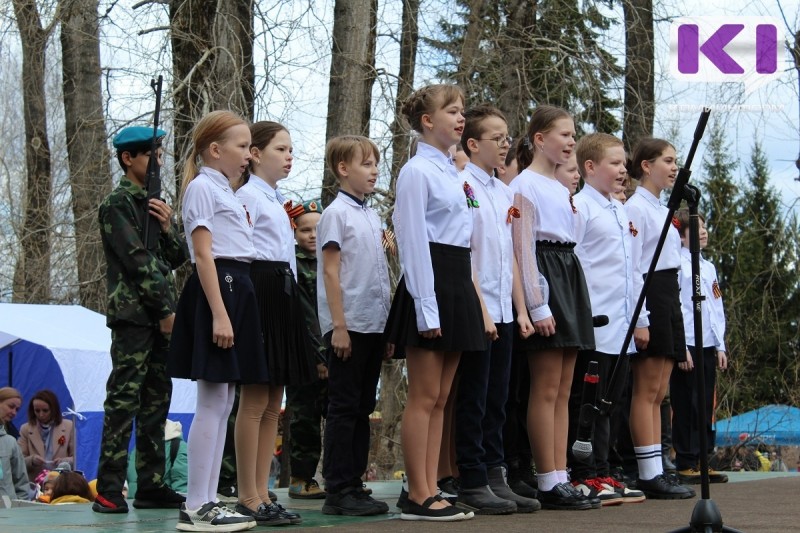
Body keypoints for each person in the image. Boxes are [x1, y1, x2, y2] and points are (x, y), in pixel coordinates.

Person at [384, 84, 484, 522]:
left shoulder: (454, 173)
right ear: (428, 121)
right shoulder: (416, 172)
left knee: (443, 395)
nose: (461, 119)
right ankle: (417, 492)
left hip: (458, 276)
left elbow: (471, 224)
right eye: (453, 112)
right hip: (432, 279)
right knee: (424, 395)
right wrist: (426, 306)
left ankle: (433, 485)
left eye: (462, 112)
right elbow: (412, 242)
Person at [167, 110, 265, 532]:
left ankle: (208, 499)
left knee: (225, 401)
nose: (248, 155)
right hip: (218, 289)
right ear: (214, 149)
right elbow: (203, 254)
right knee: (212, 401)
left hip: (236, 284)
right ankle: (195, 504)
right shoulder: (202, 189)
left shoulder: (227, 191)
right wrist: (220, 314)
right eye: (242, 147)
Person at [94, 125, 189, 514]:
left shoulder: (153, 203)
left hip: (157, 318)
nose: (157, 161)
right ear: (127, 158)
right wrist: (166, 310)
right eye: (150, 154)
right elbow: (138, 263)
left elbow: (178, 257)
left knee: (156, 401)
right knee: (123, 401)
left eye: (160, 154)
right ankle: (110, 488)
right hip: (134, 317)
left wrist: (168, 227)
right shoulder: (117, 204)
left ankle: (151, 484)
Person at [453, 104, 539, 515]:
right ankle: (471, 477)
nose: (506, 145)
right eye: (497, 138)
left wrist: (520, 310)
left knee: (499, 398)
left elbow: (511, 258)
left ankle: (494, 473)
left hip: (504, 308)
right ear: (472, 144)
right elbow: (467, 254)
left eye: (508, 138)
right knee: (476, 396)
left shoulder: (502, 191)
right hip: (477, 307)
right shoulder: (463, 185)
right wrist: (484, 310)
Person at [509, 105, 595, 510]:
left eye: (573, 135)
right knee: (545, 388)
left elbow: (571, 238)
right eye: (564, 134)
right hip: (545, 273)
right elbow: (523, 247)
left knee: (563, 388)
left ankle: (560, 474)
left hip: (567, 270)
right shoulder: (524, 185)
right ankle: (546, 478)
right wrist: (536, 303)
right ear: (540, 140)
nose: (571, 141)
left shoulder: (562, 189)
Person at [233, 120, 311, 526]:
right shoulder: (246, 196)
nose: (289, 157)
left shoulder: (277, 200)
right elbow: (241, 252)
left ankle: (264, 492)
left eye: (291, 150)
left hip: (281, 291)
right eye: (281, 149)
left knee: (273, 401)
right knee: (254, 397)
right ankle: (247, 494)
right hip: (259, 290)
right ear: (256, 154)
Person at [567, 133, 644, 505]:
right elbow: (573, 264)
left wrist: (640, 318)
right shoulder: (580, 208)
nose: (623, 170)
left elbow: (633, 270)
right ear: (590, 167)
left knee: (612, 403)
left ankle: (603, 469)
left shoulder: (620, 210)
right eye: (615, 163)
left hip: (623, 324)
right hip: (594, 323)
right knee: (588, 402)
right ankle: (582, 472)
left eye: (624, 163)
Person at [317, 135, 392, 517]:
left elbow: (377, 272)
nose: (374, 170)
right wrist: (339, 326)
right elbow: (331, 271)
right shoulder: (336, 213)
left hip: (373, 324)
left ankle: (355, 482)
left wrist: (387, 328)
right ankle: (338, 487)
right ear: (343, 169)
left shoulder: (371, 214)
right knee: (344, 406)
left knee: (363, 405)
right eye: (366, 164)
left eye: (376, 163)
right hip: (349, 325)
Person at [625, 138, 694, 499]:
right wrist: (641, 317)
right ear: (646, 165)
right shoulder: (637, 207)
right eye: (667, 160)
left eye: (675, 161)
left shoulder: (662, 209)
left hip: (669, 293)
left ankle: (658, 465)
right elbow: (635, 265)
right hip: (650, 292)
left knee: (660, 391)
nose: (674, 167)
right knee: (647, 388)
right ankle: (648, 471)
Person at [672, 208, 729, 485]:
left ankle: (704, 457)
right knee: (687, 403)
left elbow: (716, 307)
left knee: (706, 404)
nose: (703, 232)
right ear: (682, 235)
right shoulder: (679, 266)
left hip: (707, 343)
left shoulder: (708, 267)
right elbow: (678, 308)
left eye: (704, 227)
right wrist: (681, 346)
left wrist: (721, 345)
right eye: (695, 229)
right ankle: (686, 460)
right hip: (689, 344)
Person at [284, 200, 328, 500]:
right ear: (294, 232)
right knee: (305, 417)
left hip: (337, 349)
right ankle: (301, 477)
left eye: (318, 229)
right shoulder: (293, 264)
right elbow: (305, 316)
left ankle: (341, 477)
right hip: (305, 355)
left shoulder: (333, 258)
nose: (312, 235)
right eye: (305, 230)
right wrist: (318, 356)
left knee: (339, 415)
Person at [18, 390, 75, 483]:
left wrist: (64, 461)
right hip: (36, 483)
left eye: (45, 410)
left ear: (54, 409)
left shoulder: (69, 426)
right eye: (37, 411)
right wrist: (32, 460)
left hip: (62, 482)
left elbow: (77, 458)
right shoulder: (25, 429)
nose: (41, 414)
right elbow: (19, 461)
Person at [127, 419, 189, 498]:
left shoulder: (179, 447)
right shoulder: (140, 446)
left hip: (150, 506)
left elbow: (182, 485)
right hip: (143, 506)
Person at [0, 387, 29, 501]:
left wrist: (18, 510)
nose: (14, 413)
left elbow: (21, 482)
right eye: (11, 406)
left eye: (17, 409)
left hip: (7, 513)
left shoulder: (10, 442)